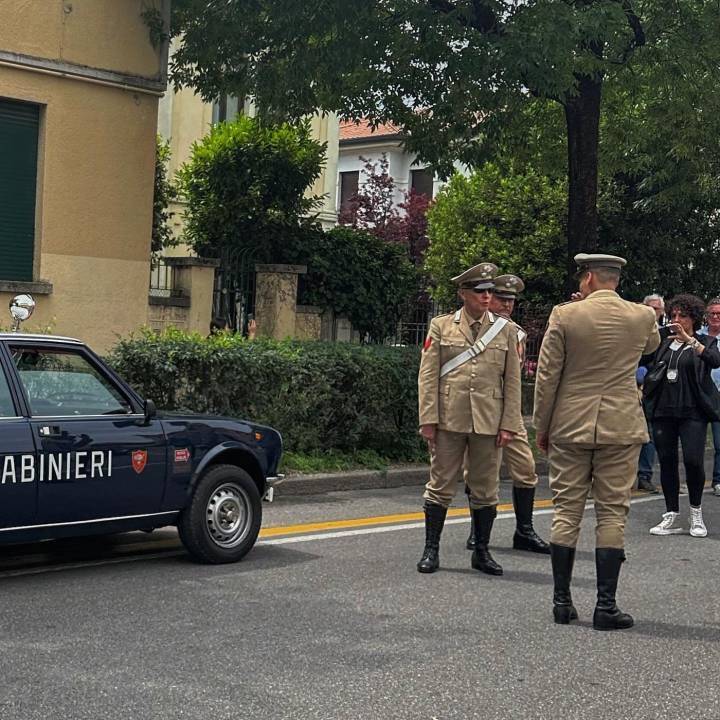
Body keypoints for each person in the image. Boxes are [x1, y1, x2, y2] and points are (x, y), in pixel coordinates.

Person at [533, 253, 660, 630]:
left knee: (566, 510)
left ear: (587, 278)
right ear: (615, 279)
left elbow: (547, 375)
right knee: (612, 512)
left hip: (570, 423)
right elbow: (652, 347)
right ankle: (606, 606)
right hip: (620, 425)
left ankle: (562, 602)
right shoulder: (642, 316)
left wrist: (543, 424)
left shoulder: (565, 315)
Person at [417, 262, 523, 576]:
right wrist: (428, 419)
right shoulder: (442, 326)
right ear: (464, 293)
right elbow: (428, 376)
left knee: (486, 489)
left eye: (490, 291)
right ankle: (431, 549)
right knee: (440, 485)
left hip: (489, 421)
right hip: (449, 418)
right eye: (480, 291)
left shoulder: (505, 330)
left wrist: (509, 424)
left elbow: (513, 381)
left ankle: (482, 551)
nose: (488, 297)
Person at [464, 274, 549, 554]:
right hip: (480, 410)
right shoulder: (473, 328)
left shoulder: (515, 332)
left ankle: (524, 531)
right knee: (476, 475)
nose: (507, 305)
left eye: (511, 300)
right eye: (502, 299)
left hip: (508, 412)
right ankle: (477, 533)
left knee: (526, 470)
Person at [643, 294, 720, 537]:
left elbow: (714, 360)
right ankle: (671, 512)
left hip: (692, 412)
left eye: (683, 316)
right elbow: (642, 355)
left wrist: (689, 341)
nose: (677, 320)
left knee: (694, 461)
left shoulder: (705, 341)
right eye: (673, 315)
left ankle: (696, 512)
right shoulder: (663, 342)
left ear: (694, 319)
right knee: (666, 461)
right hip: (664, 410)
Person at [635, 294, 669, 493]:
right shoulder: (634, 328)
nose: (654, 312)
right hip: (631, 387)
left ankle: (644, 475)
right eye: (651, 308)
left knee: (649, 435)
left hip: (654, 390)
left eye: (657, 309)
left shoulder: (664, 333)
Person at [699, 297, 720, 496]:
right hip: (699, 394)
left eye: (719, 314)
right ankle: (694, 480)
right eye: (712, 313)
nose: (715, 317)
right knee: (695, 440)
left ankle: (718, 480)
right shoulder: (697, 336)